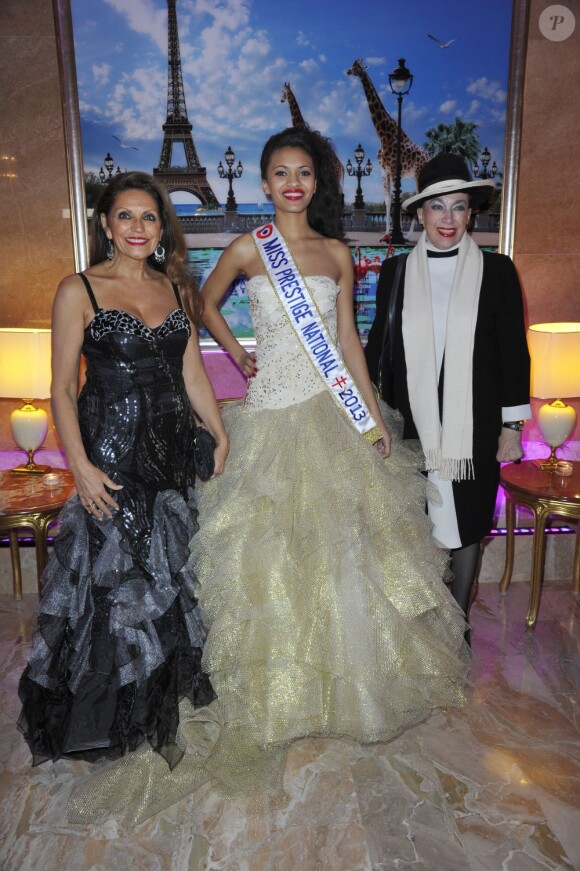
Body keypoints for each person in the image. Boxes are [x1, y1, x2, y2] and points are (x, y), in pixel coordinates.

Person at [67, 129, 470, 827]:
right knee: (271, 562)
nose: (292, 182)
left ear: (317, 182)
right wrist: (239, 353)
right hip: (270, 418)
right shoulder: (251, 247)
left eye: (303, 172)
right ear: (263, 180)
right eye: (280, 172)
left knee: (343, 557)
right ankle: (279, 693)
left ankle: (345, 694)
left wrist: (371, 420)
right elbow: (201, 309)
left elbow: (346, 342)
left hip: (329, 418)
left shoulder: (338, 253)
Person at [18, 171, 229, 768]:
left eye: (150, 217)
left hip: (169, 453)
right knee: (112, 585)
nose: (138, 227)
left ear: (163, 227)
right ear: (106, 225)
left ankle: (155, 700)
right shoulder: (78, 289)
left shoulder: (174, 286)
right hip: (109, 455)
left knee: (167, 576)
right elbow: (60, 388)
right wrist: (79, 466)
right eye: (126, 216)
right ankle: (105, 718)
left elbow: (192, 374)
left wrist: (220, 430)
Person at [365, 153, 531, 634]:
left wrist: (512, 426)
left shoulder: (497, 271)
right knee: (416, 524)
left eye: (459, 207)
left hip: (473, 426)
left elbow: (513, 354)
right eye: (437, 207)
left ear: (470, 213)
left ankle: (456, 626)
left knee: (468, 522)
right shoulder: (395, 273)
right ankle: (422, 634)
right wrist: (371, 415)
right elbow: (380, 348)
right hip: (409, 421)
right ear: (420, 213)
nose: (449, 219)